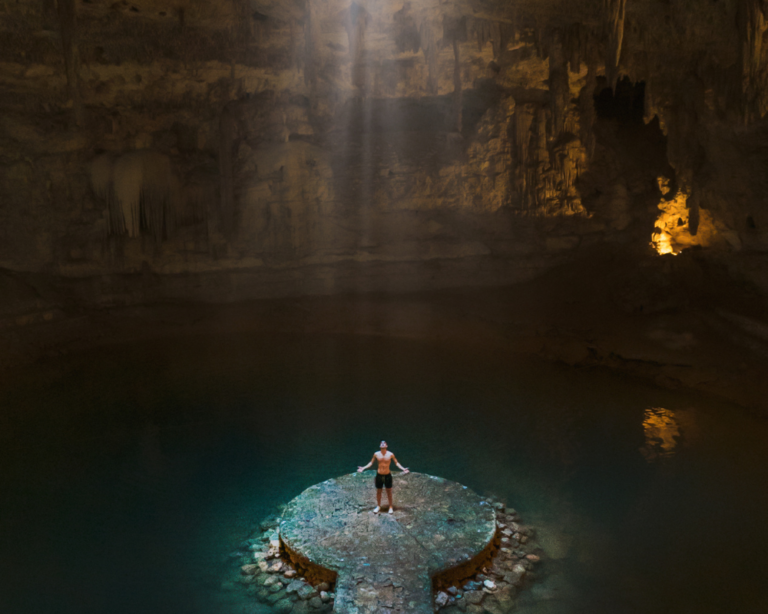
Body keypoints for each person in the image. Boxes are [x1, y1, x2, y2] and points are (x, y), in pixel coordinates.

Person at [357, 440, 409, 514]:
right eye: (381, 443)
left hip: (387, 475)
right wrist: (363, 468)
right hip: (379, 475)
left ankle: (390, 506)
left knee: (389, 491)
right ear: (380, 446)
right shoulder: (376, 454)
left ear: (386, 446)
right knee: (379, 491)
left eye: (384, 443)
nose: (382, 444)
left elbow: (396, 463)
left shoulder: (390, 454)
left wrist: (403, 469)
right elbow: (371, 462)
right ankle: (378, 506)